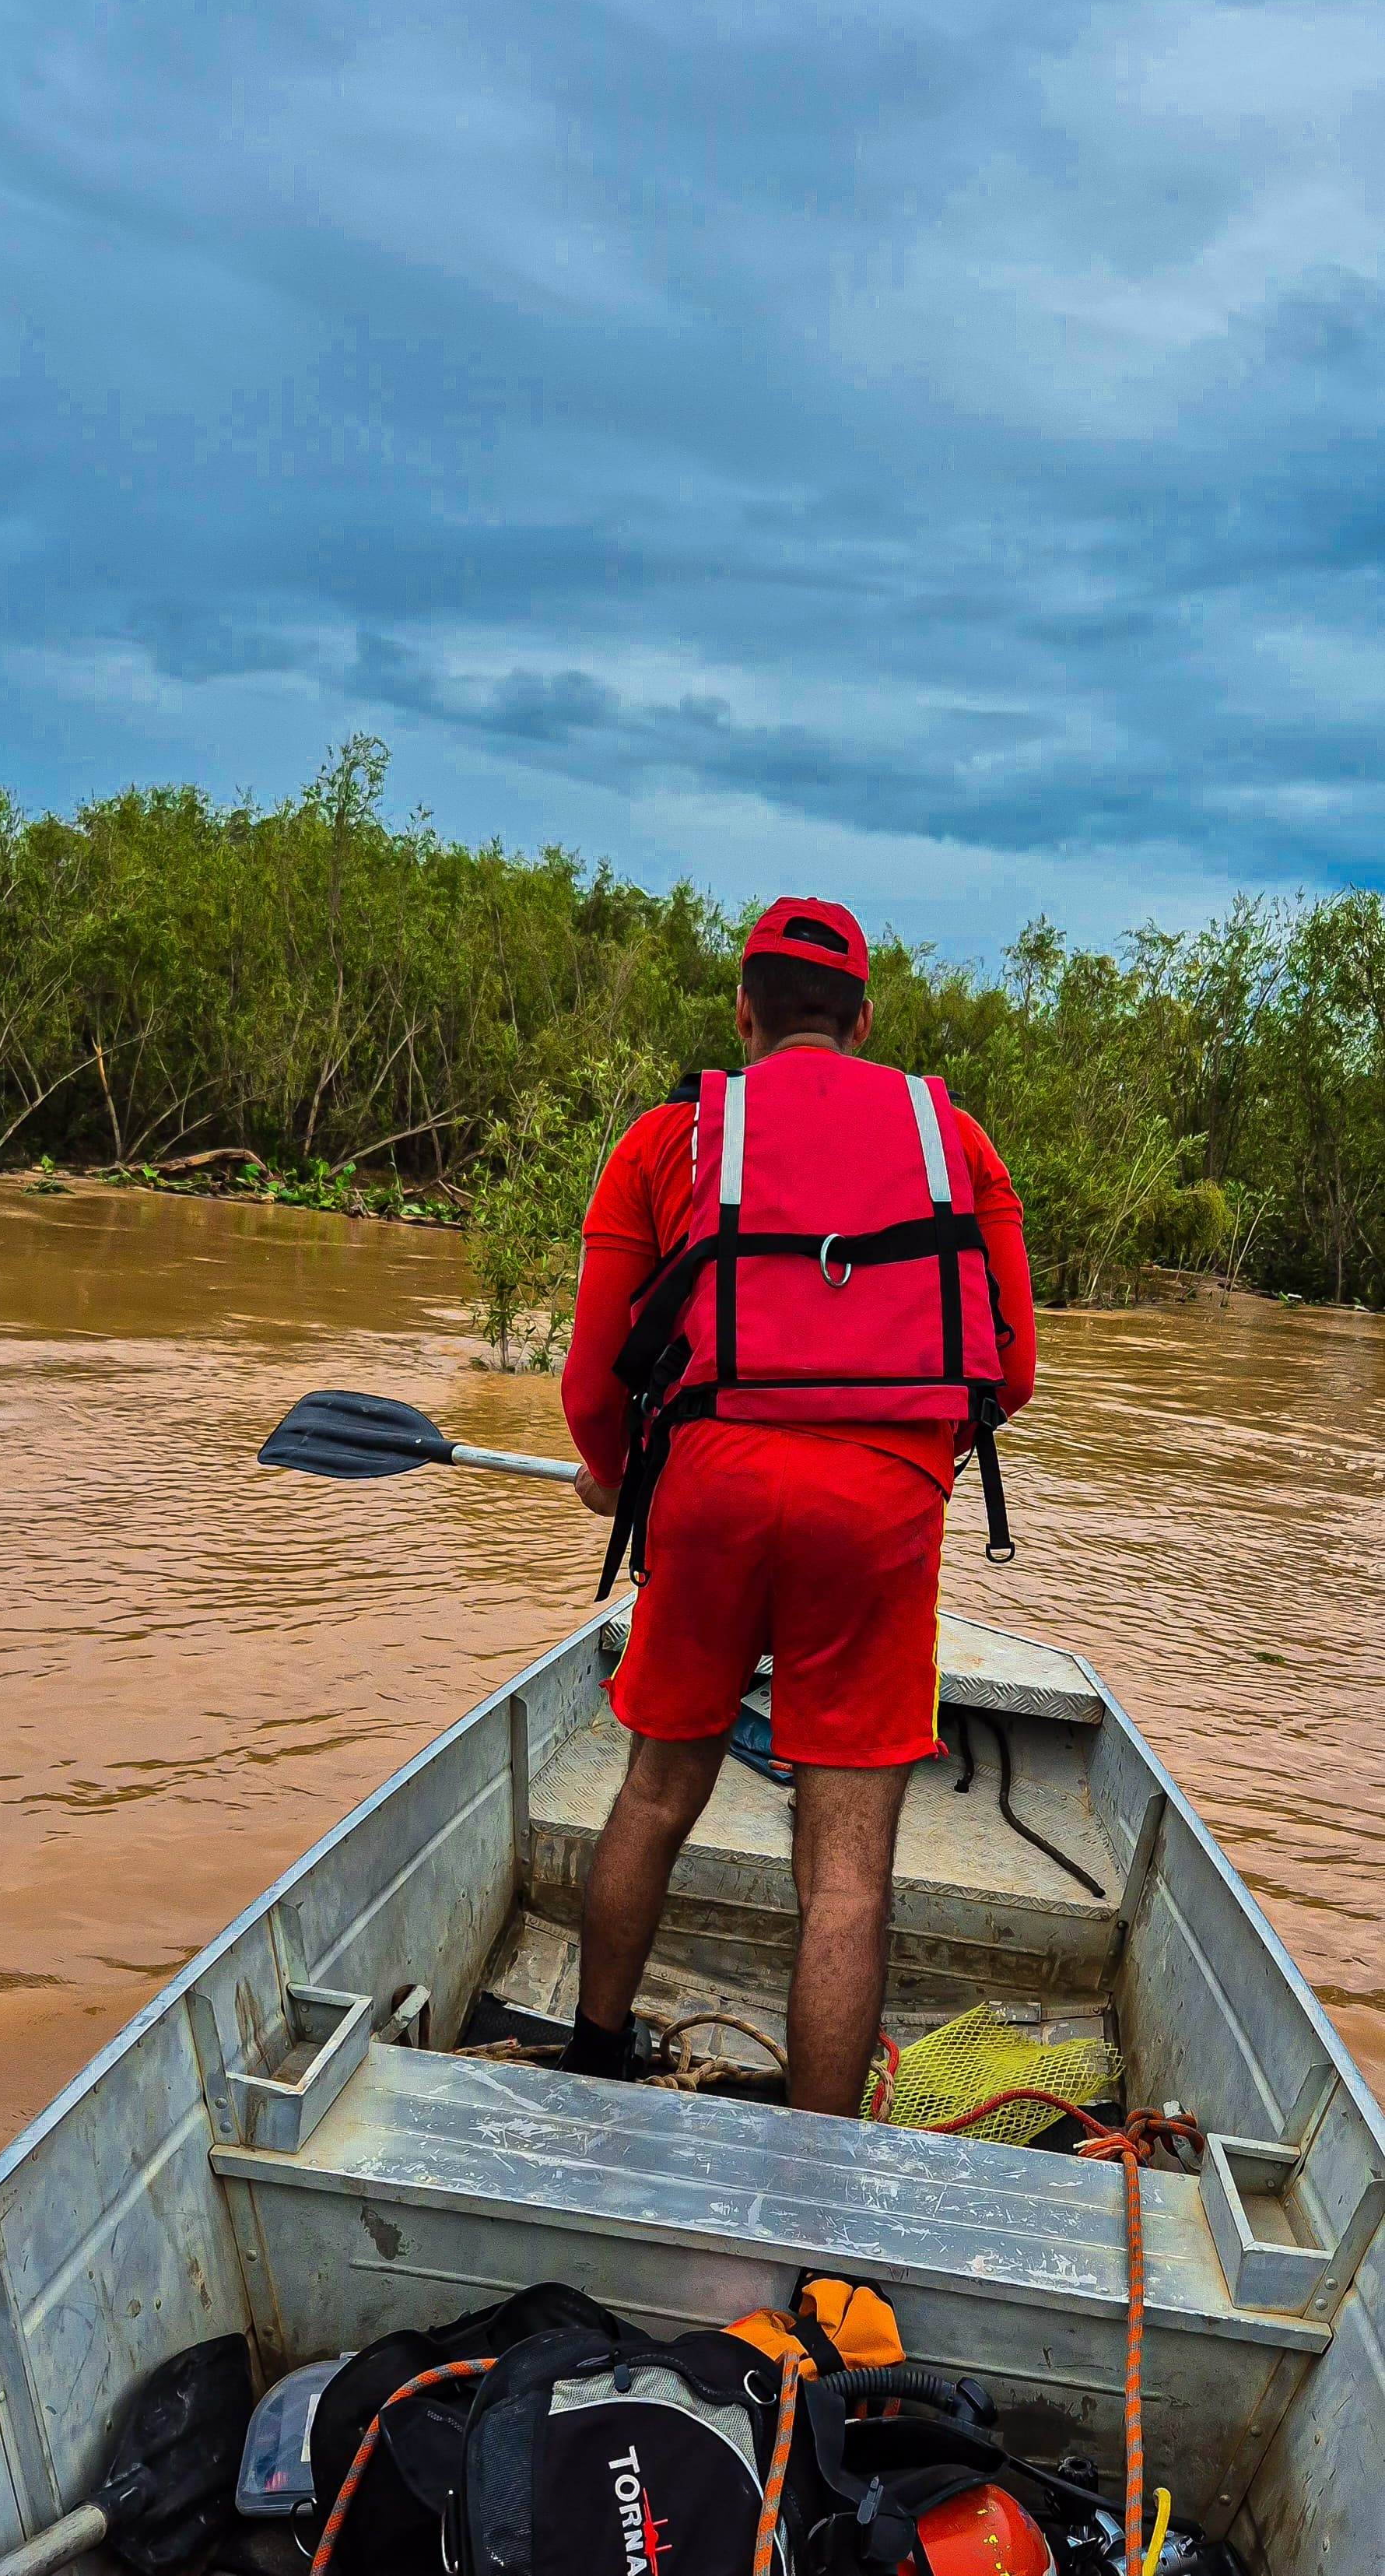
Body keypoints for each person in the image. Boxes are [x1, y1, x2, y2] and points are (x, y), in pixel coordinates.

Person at [559, 896, 1035, 2114]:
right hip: (879, 1510)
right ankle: (816, 2170)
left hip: (711, 1496)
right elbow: (1010, 1374)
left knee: (655, 1796)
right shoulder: (955, 1140)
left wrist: (620, 1479)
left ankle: (594, 2064)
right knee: (845, 1874)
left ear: (743, 1010)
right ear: (863, 1017)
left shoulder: (670, 1134)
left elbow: (590, 1381)